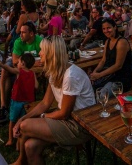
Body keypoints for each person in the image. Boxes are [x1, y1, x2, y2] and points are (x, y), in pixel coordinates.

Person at [12, 36, 95, 165]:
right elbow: (45, 103)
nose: (39, 53)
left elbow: (64, 113)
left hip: (80, 124)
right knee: (30, 146)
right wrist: (23, 118)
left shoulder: (70, 76)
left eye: (42, 50)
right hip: (66, 119)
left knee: (24, 126)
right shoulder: (54, 71)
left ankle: (21, 161)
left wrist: (43, 116)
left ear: (51, 53)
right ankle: (22, 158)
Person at [0, 22, 43, 130]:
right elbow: (14, 61)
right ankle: (3, 107)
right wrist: (33, 64)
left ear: (31, 34)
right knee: (5, 72)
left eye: (24, 32)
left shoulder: (39, 41)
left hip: (31, 67)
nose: (20, 35)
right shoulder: (19, 42)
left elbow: (46, 57)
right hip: (21, 65)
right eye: (20, 32)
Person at [0, 53, 38, 147]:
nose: (17, 63)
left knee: (12, 120)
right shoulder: (32, 73)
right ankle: (19, 142)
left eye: (19, 61)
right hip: (28, 101)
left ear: (23, 63)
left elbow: (7, 68)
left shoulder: (19, 71)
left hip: (17, 100)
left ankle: (10, 139)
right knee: (23, 121)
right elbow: (36, 86)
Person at [90, 18, 132, 91]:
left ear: (115, 27)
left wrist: (99, 75)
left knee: (103, 94)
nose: (106, 31)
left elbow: (118, 66)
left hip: (120, 79)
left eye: (108, 28)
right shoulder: (108, 41)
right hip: (109, 76)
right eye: (104, 29)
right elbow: (103, 60)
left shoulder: (121, 42)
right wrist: (95, 72)